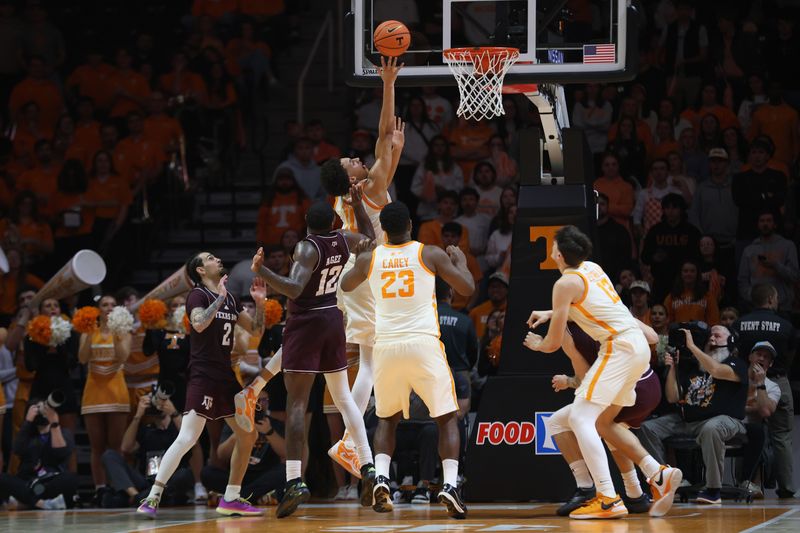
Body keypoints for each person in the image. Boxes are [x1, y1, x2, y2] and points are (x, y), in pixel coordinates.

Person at [243, 57, 405, 483]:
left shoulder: (339, 198)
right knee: (368, 354)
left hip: (343, 276)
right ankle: (353, 446)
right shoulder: (369, 189)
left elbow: (385, 143)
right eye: (354, 160)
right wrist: (388, 84)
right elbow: (385, 137)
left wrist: (390, 148)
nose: (357, 158)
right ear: (354, 178)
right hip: (366, 271)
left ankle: (255, 389)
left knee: (309, 339)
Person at [523, 226, 681, 519]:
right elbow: (589, 303)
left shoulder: (564, 284)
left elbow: (553, 342)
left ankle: (608, 498)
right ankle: (656, 473)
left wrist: (538, 345)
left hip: (618, 348)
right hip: (637, 348)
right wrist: (552, 312)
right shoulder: (592, 268)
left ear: (556, 253)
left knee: (581, 417)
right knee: (604, 422)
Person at [340, 201, 476, 520]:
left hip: (386, 344)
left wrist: (357, 256)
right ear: (411, 225)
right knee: (446, 418)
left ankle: (383, 478)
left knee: (387, 418)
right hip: (423, 343)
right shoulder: (429, 253)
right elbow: (467, 289)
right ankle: (450, 485)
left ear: (383, 230)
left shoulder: (370, 258)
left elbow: (345, 286)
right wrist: (462, 260)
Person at [243, 199, 377, 518]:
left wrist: (261, 270)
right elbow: (370, 239)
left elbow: (292, 288)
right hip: (332, 318)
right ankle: (369, 467)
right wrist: (358, 205)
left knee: (297, 405)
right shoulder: (343, 238)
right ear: (333, 221)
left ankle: (294, 482)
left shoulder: (306, 247)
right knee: (344, 399)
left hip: (306, 323)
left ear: (306, 221)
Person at [137, 251, 267, 518]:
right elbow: (198, 324)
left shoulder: (230, 298)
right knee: (188, 437)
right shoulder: (198, 295)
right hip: (203, 375)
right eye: (210, 258)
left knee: (248, 435)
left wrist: (260, 302)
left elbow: (255, 329)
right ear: (200, 270)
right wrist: (218, 297)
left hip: (226, 378)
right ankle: (152, 497)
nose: (217, 259)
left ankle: (231, 497)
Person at [548, 321, 661, 516]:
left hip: (628, 386)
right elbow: (652, 337)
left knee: (572, 420)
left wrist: (567, 379)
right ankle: (635, 495)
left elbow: (583, 380)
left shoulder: (571, 329)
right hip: (648, 383)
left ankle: (651, 475)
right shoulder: (610, 308)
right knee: (610, 428)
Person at [638, 324, 748, 505]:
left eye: (718, 335)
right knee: (647, 428)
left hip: (724, 420)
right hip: (688, 421)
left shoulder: (736, 364)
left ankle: (714, 490)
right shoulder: (693, 367)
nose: (712, 339)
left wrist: (692, 347)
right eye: (710, 336)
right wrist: (673, 368)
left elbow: (716, 370)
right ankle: (663, 480)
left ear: (730, 341)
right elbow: (672, 397)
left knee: (711, 429)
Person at [733, 283, 796, 498]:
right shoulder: (785, 325)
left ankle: (744, 482)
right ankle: (786, 487)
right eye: (777, 297)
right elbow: (791, 352)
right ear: (770, 298)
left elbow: (734, 352)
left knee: (745, 432)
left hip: (746, 380)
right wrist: (780, 369)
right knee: (781, 436)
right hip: (778, 378)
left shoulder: (740, 323)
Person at [79, 295, 132, 503]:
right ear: (97, 309)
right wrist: (90, 332)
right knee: (96, 446)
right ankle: (100, 488)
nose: (109, 308)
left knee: (116, 446)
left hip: (116, 390)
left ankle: (118, 487)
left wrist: (117, 333)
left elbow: (123, 357)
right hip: (93, 392)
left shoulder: (123, 331)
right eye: (104, 305)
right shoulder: (88, 331)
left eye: (112, 304)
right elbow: (82, 359)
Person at [103, 392, 193, 507]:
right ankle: (137, 497)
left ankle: (143, 498)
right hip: (146, 482)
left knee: (184, 475)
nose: (157, 406)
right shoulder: (146, 429)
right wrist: (138, 416)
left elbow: (190, 437)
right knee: (109, 455)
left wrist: (173, 412)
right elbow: (126, 448)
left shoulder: (176, 425)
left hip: (169, 481)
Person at [0, 399, 77, 510]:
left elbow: (61, 453)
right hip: (28, 483)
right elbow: (17, 450)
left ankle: (27, 503)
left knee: (70, 478)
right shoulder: (28, 436)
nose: (42, 413)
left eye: (45, 410)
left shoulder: (63, 432)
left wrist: (54, 424)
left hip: (50, 483)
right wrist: (27, 421)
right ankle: (41, 504)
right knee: (2, 478)